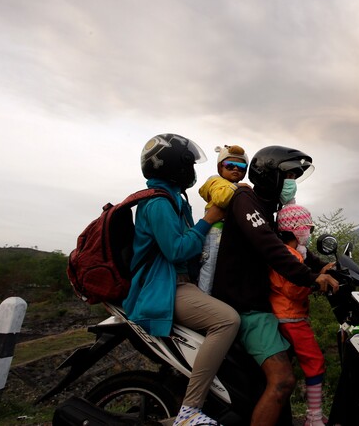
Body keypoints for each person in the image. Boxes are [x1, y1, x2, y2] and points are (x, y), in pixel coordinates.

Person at [211, 145, 338, 426]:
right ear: (270, 175)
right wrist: (310, 277)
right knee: (283, 380)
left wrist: (323, 267)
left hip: (261, 307)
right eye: (289, 175)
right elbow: (269, 246)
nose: (292, 182)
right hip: (246, 308)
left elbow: (290, 244)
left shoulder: (272, 210)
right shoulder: (246, 199)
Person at [123, 133, 240, 426]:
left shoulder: (175, 199)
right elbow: (176, 250)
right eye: (188, 164)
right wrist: (208, 219)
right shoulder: (159, 203)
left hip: (178, 283)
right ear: (174, 166)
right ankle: (189, 410)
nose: (193, 172)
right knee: (227, 320)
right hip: (164, 287)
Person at [270, 203, 327, 426]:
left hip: (285, 314)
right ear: (297, 230)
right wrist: (314, 284)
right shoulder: (289, 255)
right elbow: (293, 289)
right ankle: (313, 416)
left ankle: (314, 412)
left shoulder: (291, 253)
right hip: (291, 317)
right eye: (308, 229)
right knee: (315, 362)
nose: (310, 233)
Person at [197, 144, 250, 293]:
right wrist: (238, 187)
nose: (235, 169)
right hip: (215, 233)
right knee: (210, 270)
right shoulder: (216, 182)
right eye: (230, 165)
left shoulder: (232, 185)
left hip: (226, 234)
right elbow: (221, 199)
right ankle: (204, 300)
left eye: (240, 165)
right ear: (220, 167)